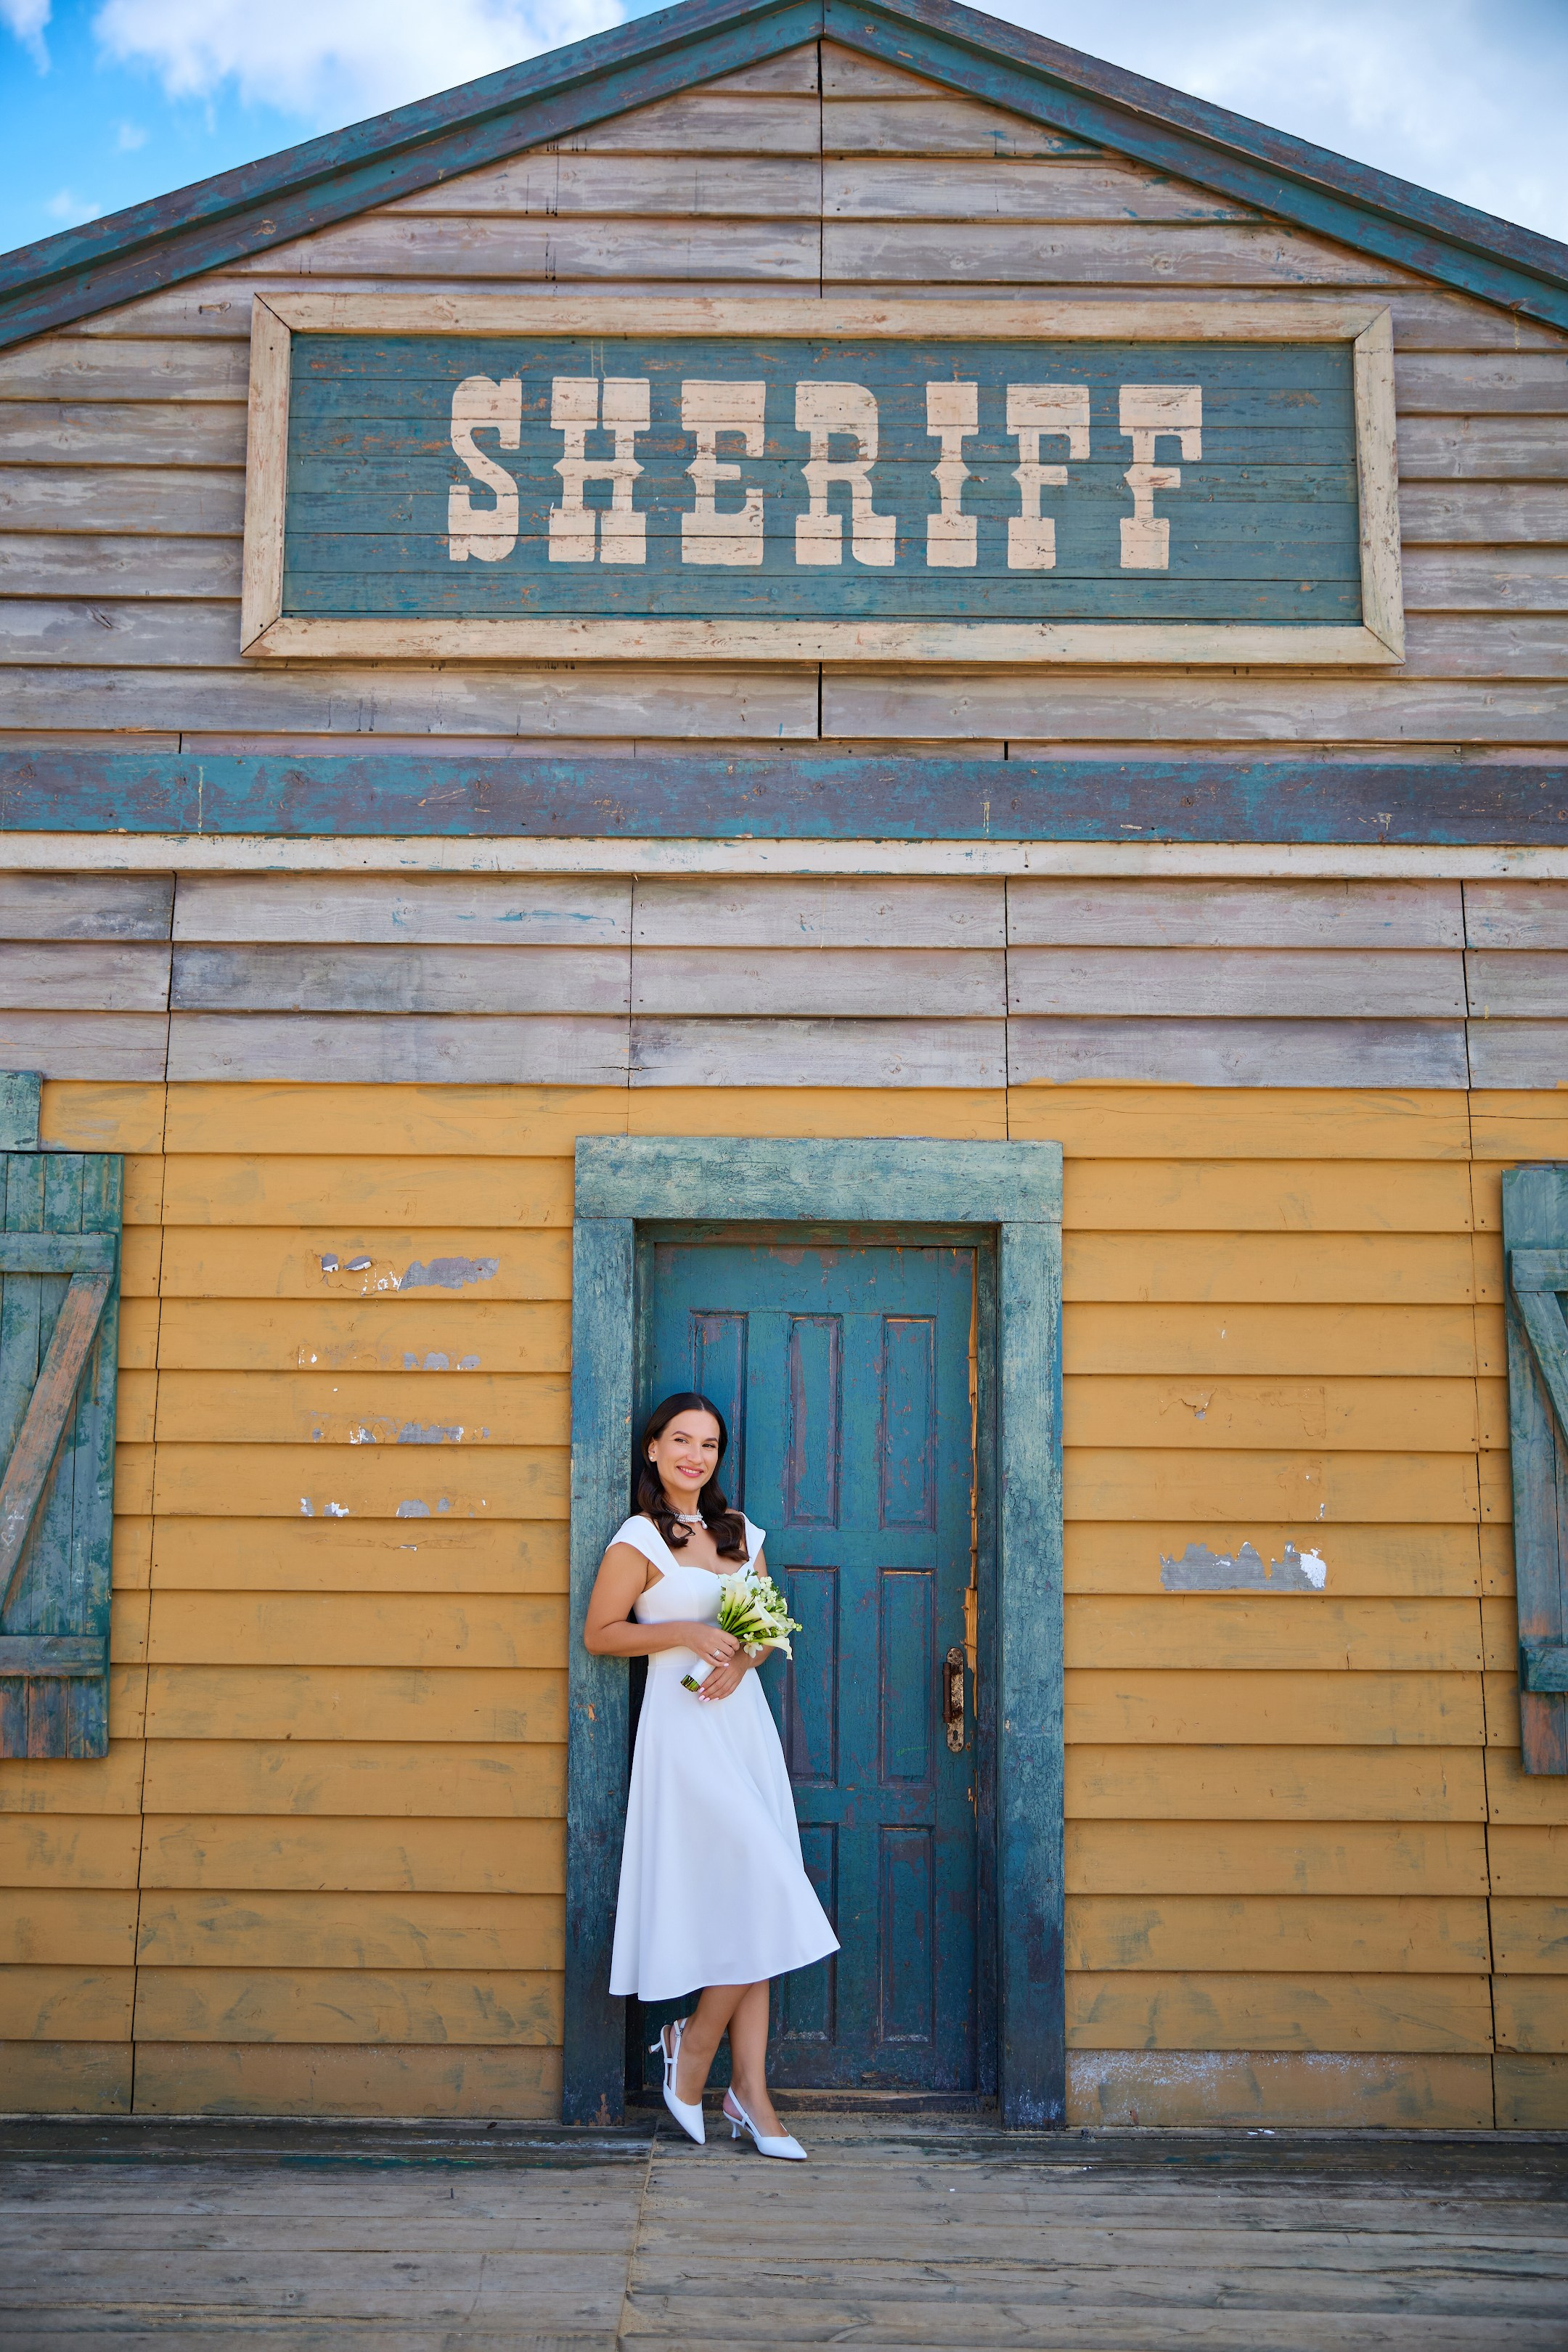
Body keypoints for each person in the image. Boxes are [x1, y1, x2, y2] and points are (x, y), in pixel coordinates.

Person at [583, 1390, 838, 2159]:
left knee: (753, 1900)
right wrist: (688, 1631)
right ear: (654, 1450)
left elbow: (763, 1629)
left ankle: (750, 2094)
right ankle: (691, 2047)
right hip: (684, 1732)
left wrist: (746, 1655)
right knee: (764, 1884)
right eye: (682, 1441)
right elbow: (601, 1633)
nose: (697, 1456)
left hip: (741, 1726)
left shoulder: (739, 1533)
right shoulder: (639, 1538)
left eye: (711, 1445)